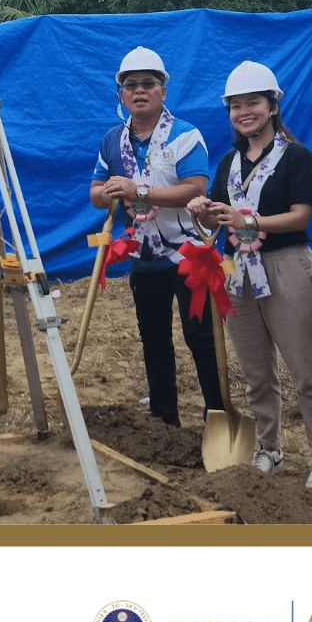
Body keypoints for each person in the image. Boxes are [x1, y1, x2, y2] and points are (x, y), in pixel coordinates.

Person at [188, 61, 312, 491]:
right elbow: (217, 222)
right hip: (238, 271)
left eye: (253, 102)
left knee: (304, 366)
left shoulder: (297, 157)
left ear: (273, 105)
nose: (243, 112)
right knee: (255, 370)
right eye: (235, 106)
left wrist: (248, 220)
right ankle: (268, 446)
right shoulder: (228, 163)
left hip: (285, 262)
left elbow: (300, 216)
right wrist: (202, 211)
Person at [89, 46, 223, 428]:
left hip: (189, 257)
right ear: (121, 95)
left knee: (201, 338)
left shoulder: (185, 135)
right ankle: (164, 419)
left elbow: (196, 189)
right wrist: (111, 193)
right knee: (154, 340)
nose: (140, 91)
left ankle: (217, 414)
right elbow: (96, 193)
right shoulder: (113, 140)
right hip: (144, 258)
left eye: (149, 84)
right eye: (131, 85)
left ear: (164, 90)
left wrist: (140, 192)